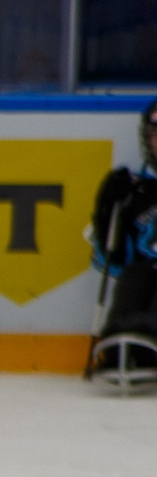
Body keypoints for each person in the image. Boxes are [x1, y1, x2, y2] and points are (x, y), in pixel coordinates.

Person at [85, 98, 157, 391]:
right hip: (147, 270)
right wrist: (106, 215)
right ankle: (121, 340)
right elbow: (112, 262)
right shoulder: (136, 190)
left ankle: (148, 337)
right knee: (134, 277)